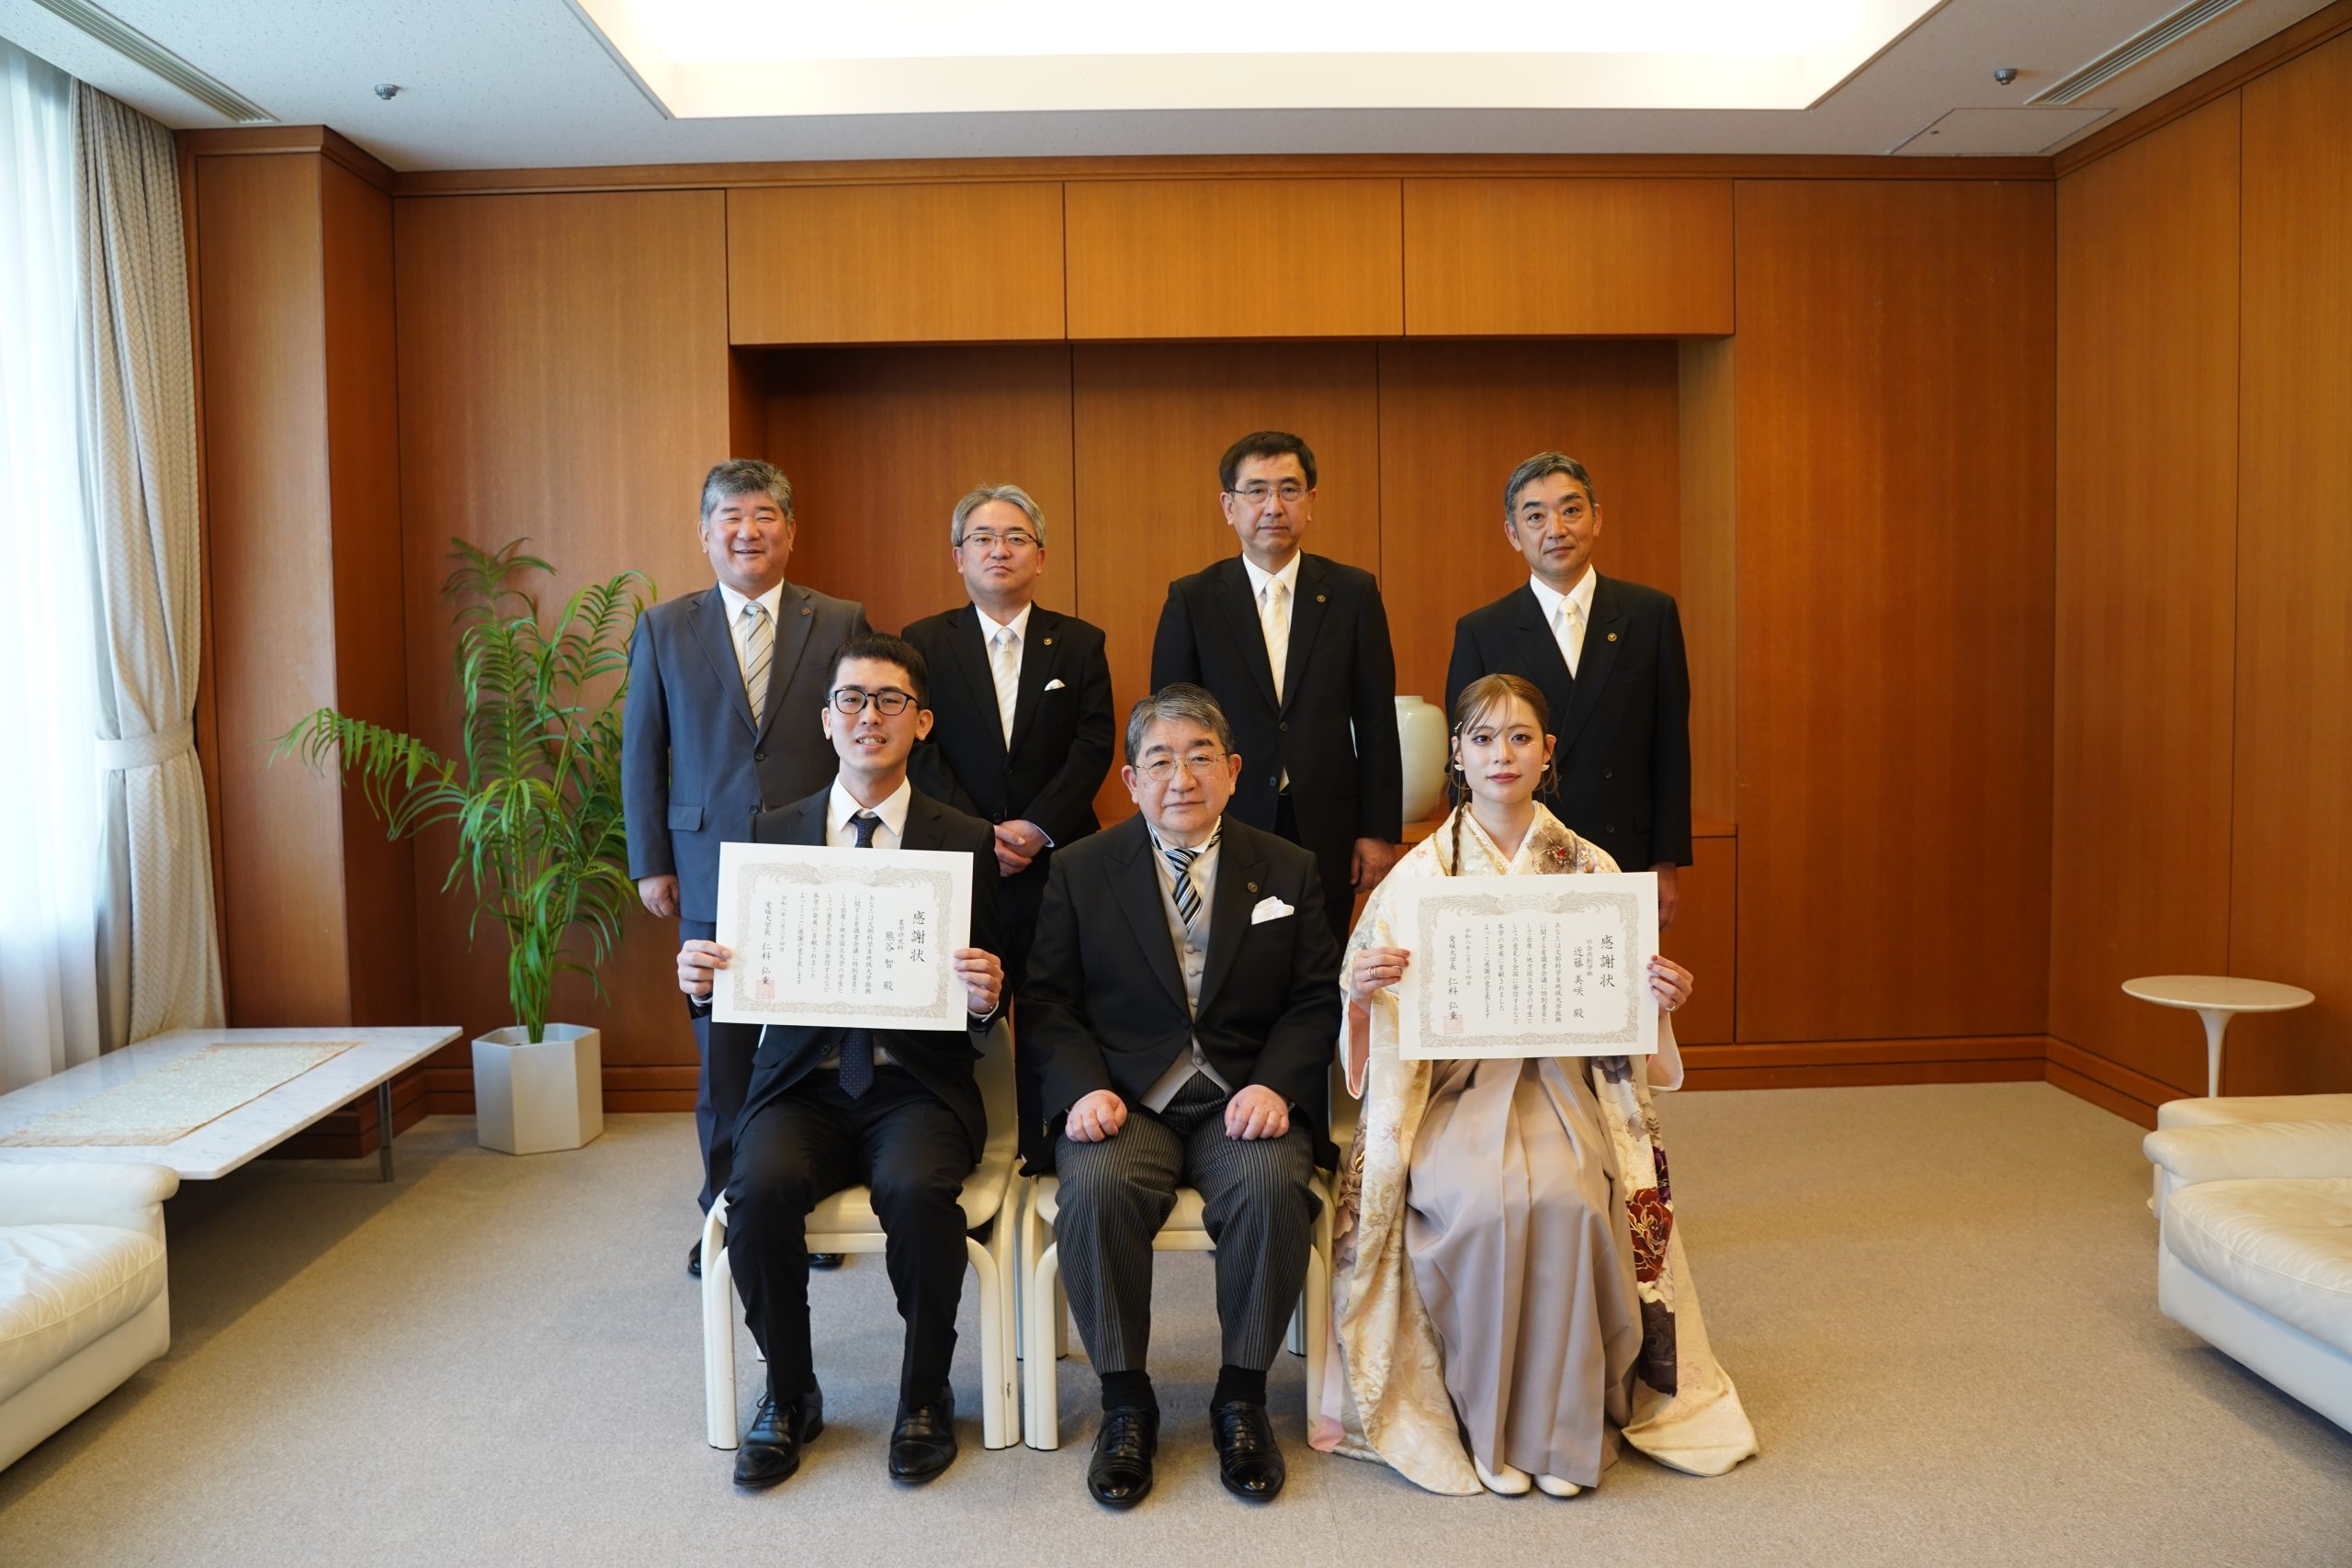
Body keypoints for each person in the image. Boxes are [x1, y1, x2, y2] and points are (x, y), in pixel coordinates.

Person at [1314, 673, 1755, 1496]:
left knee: (1568, 1200)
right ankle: (1489, 1430)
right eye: (1483, 738)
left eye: (1520, 737)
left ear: (1548, 753)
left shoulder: (1591, 867)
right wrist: (1364, 991)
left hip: (1561, 1085)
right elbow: (1363, 1016)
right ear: (1457, 754)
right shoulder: (1417, 874)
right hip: (1450, 1092)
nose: (1502, 755)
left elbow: (1627, 1018)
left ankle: (1557, 1434)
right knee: (1482, 1207)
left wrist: (1658, 998)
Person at [676, 633, 1004, 1489]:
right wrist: (701, 979)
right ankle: (790, 1393)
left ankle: (925, 1395)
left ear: (921, 722)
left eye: (890, 700)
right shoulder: (770, 835)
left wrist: (988, 992)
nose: (869, 716)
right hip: (801, 1086)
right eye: (852, 699)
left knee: (918, 1192)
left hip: (915, 1085)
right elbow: (731, 982)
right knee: (757, 1191)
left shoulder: (965, 839)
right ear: (826, 720)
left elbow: (1003, 986)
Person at [1021, 684, 1341, 1508]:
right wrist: (1083, 1089)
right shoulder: (1082, 868)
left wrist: (1276, 1083)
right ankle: (1126, 1403)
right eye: (1160, 760)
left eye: (1200, 756)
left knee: (1272, 1185)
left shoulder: (1289, 866)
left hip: (1246, 1096)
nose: (1182, 777)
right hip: (1128, 1099)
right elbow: (1049, 1001)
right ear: (1131, 780)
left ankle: (1241, 1397)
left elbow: (1315, 999)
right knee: (1095, 1185)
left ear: (1233, 770)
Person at [624, 458, 869, 1275]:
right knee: (723, 1054)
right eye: (730, 516)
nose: (747, 530)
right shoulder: (665, 626)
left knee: (818, 1044)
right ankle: (725, 1212)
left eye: (764, 515)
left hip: (819, 861)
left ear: (790, 531)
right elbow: (642, 751)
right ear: (705, 533)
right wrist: (651, 862)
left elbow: (864, 734)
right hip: (708, 863)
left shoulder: (840, 619)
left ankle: (809, 1208)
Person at [903, 484, 1115, 1168]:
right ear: (958, 556)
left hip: (1058, 860)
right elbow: (920, 748)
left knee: (1056, 1002)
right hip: (961, 860)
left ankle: (1050, 1150)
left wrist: (1038, 826)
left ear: (1040, 556)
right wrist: (977, 833)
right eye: (983, 538)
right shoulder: (923, 642)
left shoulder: (1079, 642)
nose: (1000, 549)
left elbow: (1094, 744)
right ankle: (970, 1148)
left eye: (1016, 537)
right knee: (968, 1003)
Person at [1150, 431, 1402, 946]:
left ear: (1311, 501)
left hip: (1328, 823)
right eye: (1256, 491)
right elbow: (1169, 726)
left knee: (1321, 961)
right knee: (1235, 960)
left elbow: (1376, 718)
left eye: (1289, 490)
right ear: (1229, 506)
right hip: (1226, 816)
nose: (1273, 506)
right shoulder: (1194, 599)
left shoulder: (1352, 592)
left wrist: (1378, 831)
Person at [1444, 452, 1693, 928]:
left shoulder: (1650, 615)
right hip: (1517, 857)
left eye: (1571, 510)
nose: (1555, 529)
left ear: (1596, 519)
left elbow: (1671, 748)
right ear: (1513, 534)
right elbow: (1464, 762)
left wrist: (1666, 861)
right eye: (1535, 516)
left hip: (1624, 854)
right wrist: (1465, 864)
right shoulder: (1482, 630)